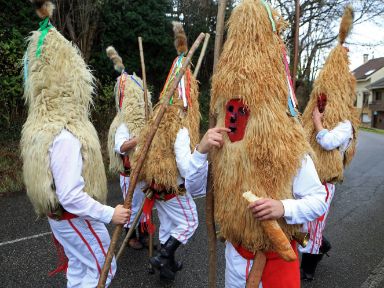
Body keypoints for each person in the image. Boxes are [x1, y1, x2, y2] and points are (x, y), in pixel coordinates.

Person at [189, 1, 327, 287]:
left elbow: (318, 200)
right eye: (232, 109)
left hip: (276, 259)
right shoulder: (222, 145)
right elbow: (194, 189)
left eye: (245, 110)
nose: (237, 117)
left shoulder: (287, 145)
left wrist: (283, 207)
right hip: (235, 258)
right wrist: (201, 152)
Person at [20, 1, 130, 287]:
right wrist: (110, 213)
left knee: (80, 269)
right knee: (102, 269)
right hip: (75, 219)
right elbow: (69, 195)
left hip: (63, 222)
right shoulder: (65, 135)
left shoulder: (40, 129)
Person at [131, 21, 206, 281]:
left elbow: (141, 152)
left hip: (155, 187)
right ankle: (164, 256)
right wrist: (201, 156)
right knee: (190, 222)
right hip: (173, 189)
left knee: (168, 227)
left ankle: (166, 268)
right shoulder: (181, 126)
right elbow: (186, 167)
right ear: (189, 97)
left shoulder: (156, 120)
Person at [300, 5, 360, 281]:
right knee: (303, 221)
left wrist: (318, 123)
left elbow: (328, 142)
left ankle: (308, 270)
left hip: (324, 182)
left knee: (314, 225)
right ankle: (321, 245)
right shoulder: (317, 106)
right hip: (306, 176)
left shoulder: (346, 123)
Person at [106, 46, 152, 250]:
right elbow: (121, 147)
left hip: (142, 171)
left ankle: (143, 233)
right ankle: (130, 236)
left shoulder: (144, 121)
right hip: (129, 172)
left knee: (144, 205)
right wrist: (139, 138)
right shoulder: (122, 124)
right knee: (131, 206)